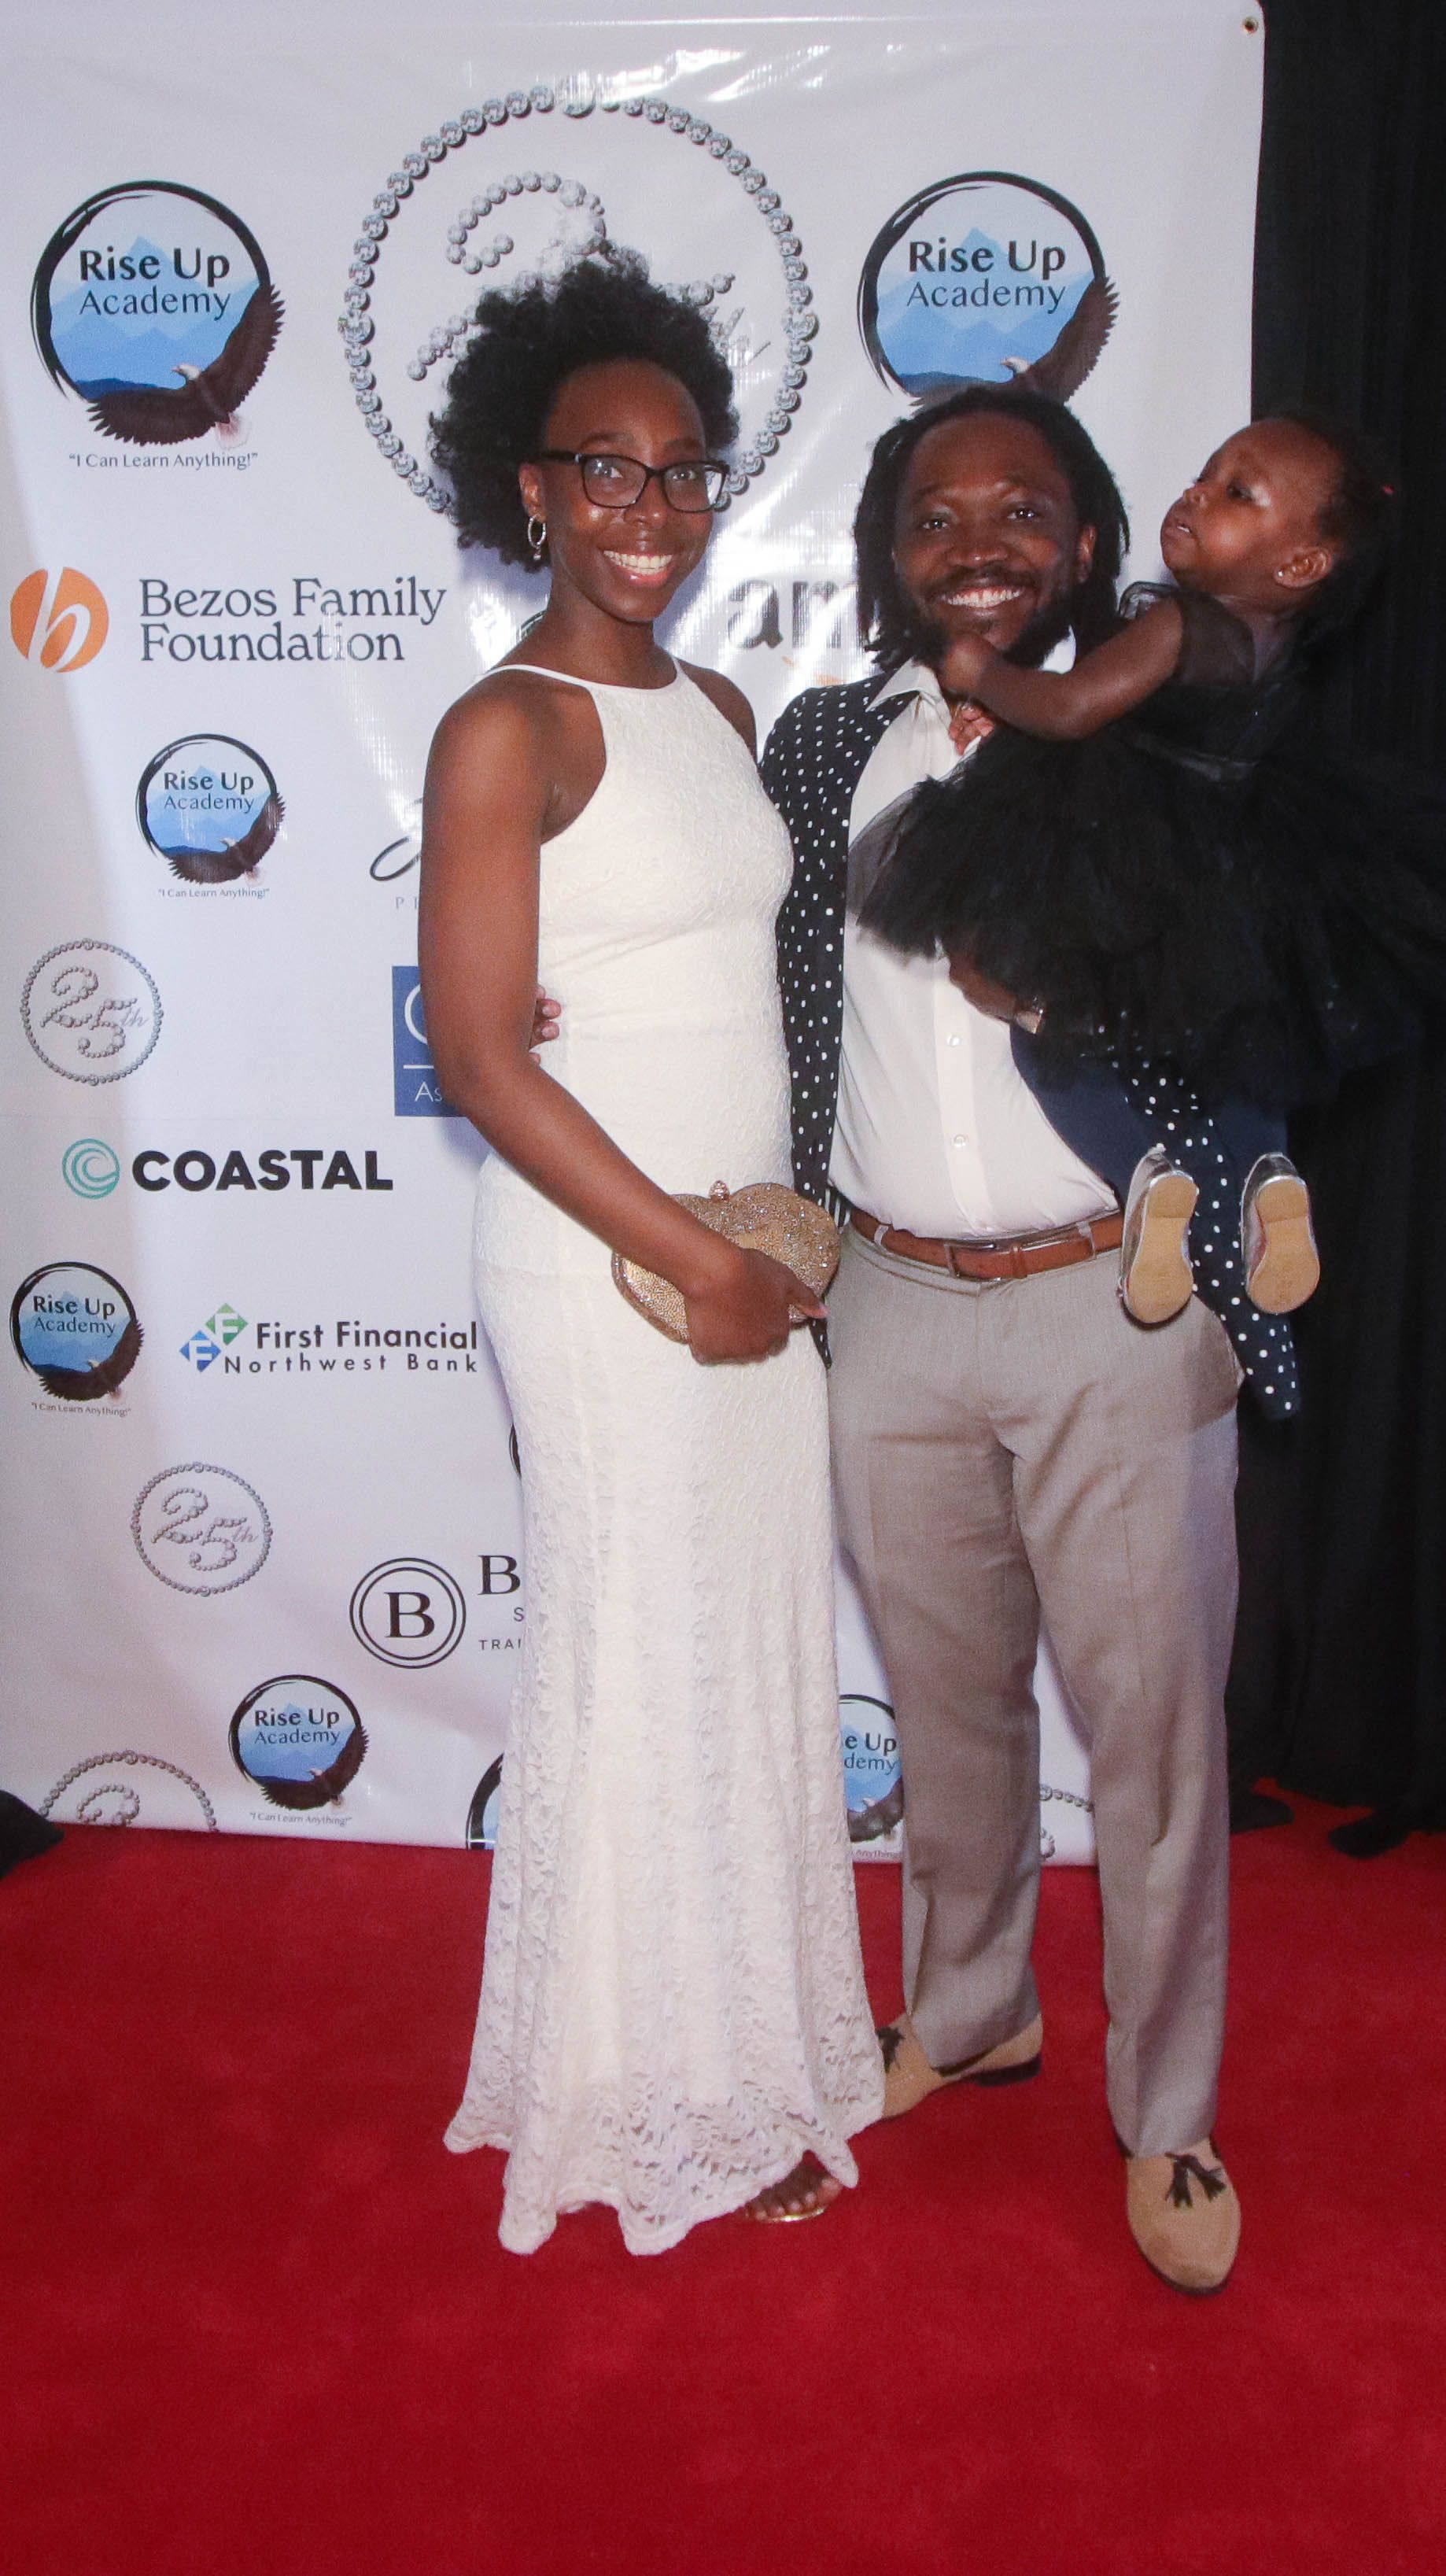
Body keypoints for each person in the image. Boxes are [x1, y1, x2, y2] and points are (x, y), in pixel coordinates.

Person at [763, 385, 1256, 2292]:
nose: (976, 541)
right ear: (889, 550)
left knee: (1151, 1736)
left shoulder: (1166, 728)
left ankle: (1167, 2108)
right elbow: (761, 968)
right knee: (945, 1701)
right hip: (883, 1299)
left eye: (1020, 508)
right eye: (935, 513)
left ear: (1085, 538)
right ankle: (969, 2007)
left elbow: (1258, 979)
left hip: (1114, 1293)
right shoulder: (828, 744)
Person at [419, 252, 882, 2257]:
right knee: (643, 1654)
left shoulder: (717, 703)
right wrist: (689, 1259)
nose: (648, 506)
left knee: (742, 1646)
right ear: (528, 489)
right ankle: (655, 2095)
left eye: (682, 468)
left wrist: (762, 1244)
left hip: (741, 1257)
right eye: (601, 468)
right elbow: (476, 1052)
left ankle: (745, 2047)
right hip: (605, 1265)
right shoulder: (503, 727)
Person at [859, 413, 1442, 1329]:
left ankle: (1146, 1176)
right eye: (1204, 474)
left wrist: (979, 671)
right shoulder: (1272, 643)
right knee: (1236, 1034)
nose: (1196, 494)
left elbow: (1066, 708)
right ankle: (1264, 1177)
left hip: (1139, 849)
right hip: (1239, 861)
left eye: (1234, 493)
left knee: (1047, 1037)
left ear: (1299, 564)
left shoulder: (1177, 621)